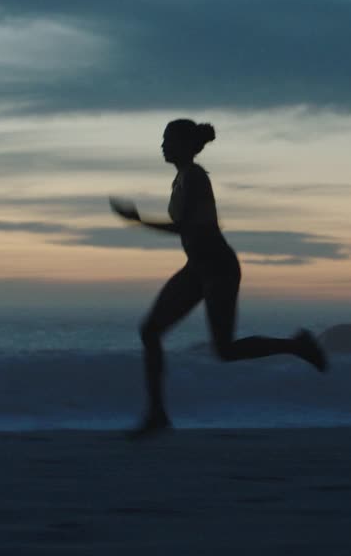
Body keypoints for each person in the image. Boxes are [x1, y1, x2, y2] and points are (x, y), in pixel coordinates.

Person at [110, 119, 327, 438]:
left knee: (224, 350)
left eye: (168, 140)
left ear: (185, 145)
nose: (162, 146)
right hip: (197, 268)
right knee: (150, 330)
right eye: (163, 139)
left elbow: (185, 227)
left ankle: (297, 345)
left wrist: (138, 221)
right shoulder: (181, 178)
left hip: (218, 267)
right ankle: (157, 414)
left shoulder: (194, 177)